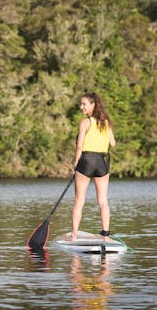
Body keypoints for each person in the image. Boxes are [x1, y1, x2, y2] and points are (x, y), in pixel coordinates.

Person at [70, 92, 116, 242]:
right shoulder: (106, 122)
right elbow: (112, 143)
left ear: (92, 105)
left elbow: (79, 146)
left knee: (79, 200)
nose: (81, 106)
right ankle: (106, 236)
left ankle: (74, 235)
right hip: (101, 163)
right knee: (103, 201)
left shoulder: (85, 122)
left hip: (86, 160)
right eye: (81, 104)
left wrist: (76, 163)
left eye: (84, 104)